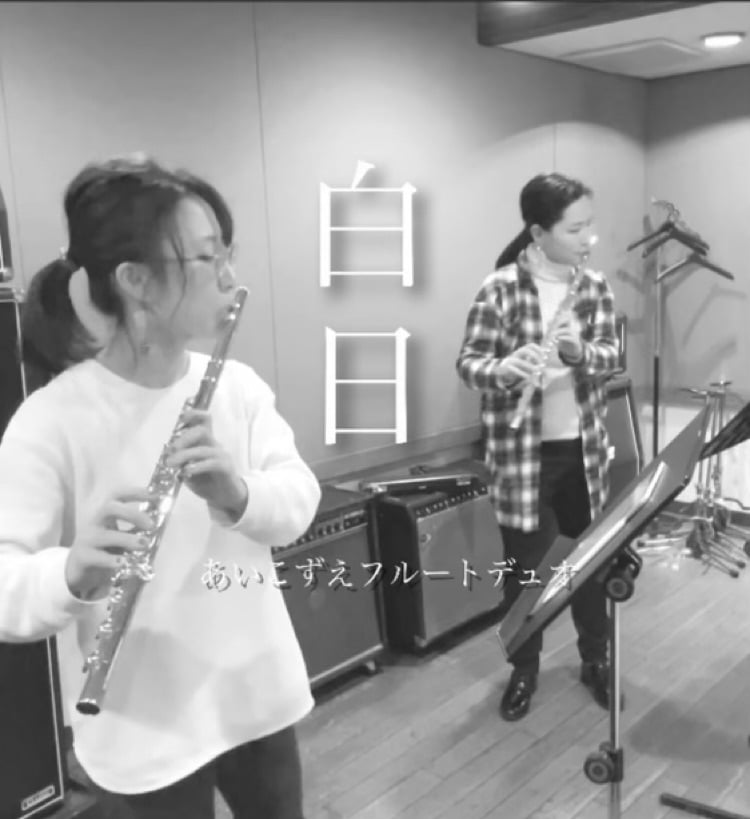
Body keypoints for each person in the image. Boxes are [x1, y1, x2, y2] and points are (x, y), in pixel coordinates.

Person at [0, 155, 321, 818]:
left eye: (227, 252)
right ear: (136, 280)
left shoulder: (235, 388)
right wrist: (71, 573)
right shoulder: (51, 420)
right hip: (140, 727)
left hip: (252, 692)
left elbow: (298, 501)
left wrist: (237, 493)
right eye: (207, 257)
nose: (229, 276)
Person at [456, 172, 620, 722]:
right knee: (526, 573)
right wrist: (503, 369)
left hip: (583, 453)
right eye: (575, 228)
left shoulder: (593, 287)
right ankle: (524, 669)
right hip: (523, 459)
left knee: (590, 563)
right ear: (538, 232)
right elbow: (469, 364)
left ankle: (596, 658)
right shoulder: (500, 288)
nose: (587, 237)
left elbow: (611, 356)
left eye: (589, 225)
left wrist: (580, 353)